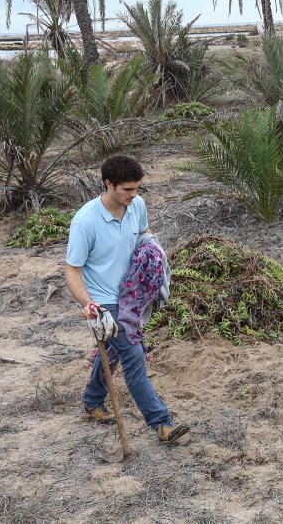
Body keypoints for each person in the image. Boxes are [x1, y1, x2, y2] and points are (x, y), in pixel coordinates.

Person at [65, 155, 189, 444]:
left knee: (114, 352)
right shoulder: (85, 221)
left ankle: (93, 401)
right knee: (134, 357)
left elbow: (143, 233)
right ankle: (162, 424)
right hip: (105, 300)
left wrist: (153, 251)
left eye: (137, 189)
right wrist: (89, 304)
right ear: (108, 184)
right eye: (127, 190)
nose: (134, 196)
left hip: (132, 295)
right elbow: (71, 270)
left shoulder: (137, 206)